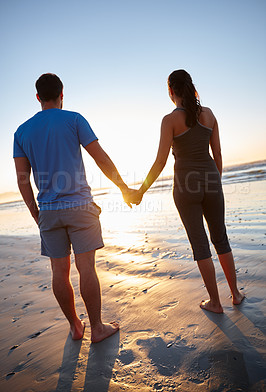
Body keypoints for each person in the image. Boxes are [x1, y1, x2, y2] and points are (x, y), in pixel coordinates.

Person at [13, 73, 133, 342]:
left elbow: (23, 180)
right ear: (62, 94)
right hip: (80, 206)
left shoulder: (21, 132)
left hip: (48, 212)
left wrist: (36, 213)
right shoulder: (74, 119)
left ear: (37, 97)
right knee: (86, 268)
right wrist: (123, 187)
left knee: (59, 271)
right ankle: (97, 328)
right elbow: (101, 158)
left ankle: (75, 326)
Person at [127, 69, 244, 313]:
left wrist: (141, 191)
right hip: (211, 180)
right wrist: (215, 182)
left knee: (200, 244)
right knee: (220, 238)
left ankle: (215, 302)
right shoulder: (209, 114)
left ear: (171, 92)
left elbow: (160, 162)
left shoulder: (169, 120)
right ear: (191, 87)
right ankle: (235, 294)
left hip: (185, 187)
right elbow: (218, 154)